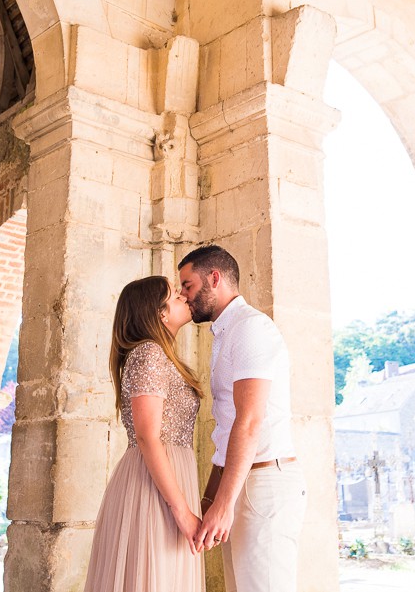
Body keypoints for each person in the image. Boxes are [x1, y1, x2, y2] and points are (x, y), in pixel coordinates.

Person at [178, 245, 307, 592]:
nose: (184, 295)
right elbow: (225, 427)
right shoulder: (226, 332)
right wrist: (210, 499)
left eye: (188, 286)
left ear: (214, 278)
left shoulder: (251, 328)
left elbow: (249, 421)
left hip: (263, 481)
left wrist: (222, 505)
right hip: (240, 480)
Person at [83, 276, 205, 592]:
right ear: (159, 313)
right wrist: (181, 510)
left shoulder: (160, 355)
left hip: (168, 478)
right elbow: (148, 436)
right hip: (153, 488)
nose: (183, 296)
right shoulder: (149, 352)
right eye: (174, 295)